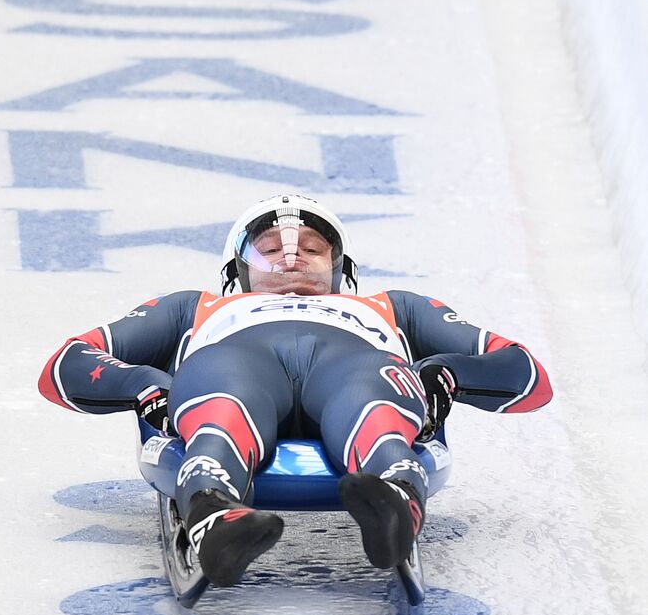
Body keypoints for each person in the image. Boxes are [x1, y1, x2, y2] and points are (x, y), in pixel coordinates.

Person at [39, 194, 552, 587]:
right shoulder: (192, 308)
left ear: (339, 267)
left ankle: (393, 502)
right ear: (238, 271)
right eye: (269, 252)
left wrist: (449, 370)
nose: (292, 260)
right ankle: (216, 516)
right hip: (236, 363)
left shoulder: (395, 306)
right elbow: (66, 363)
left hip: (353, 364)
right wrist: (144, 383)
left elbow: (526, 373)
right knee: (220, 387)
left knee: (372, 384)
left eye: (312, 250)